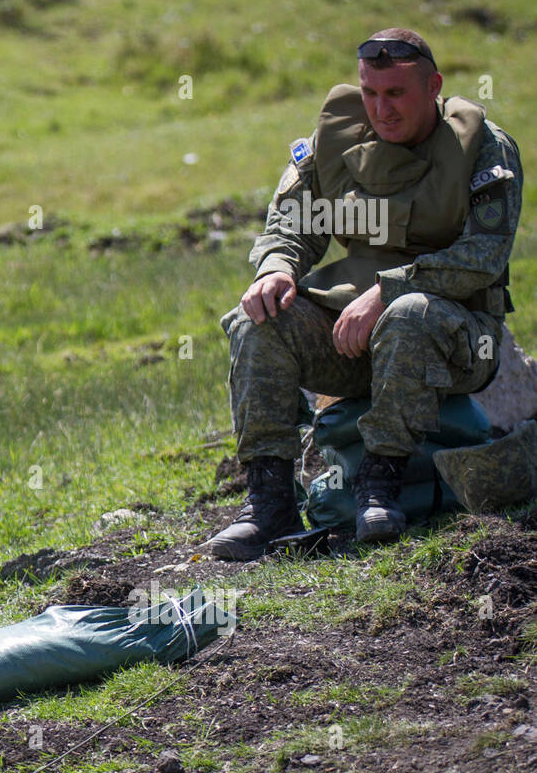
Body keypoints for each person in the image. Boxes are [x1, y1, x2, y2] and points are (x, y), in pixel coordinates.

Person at [205, 28, 522, 560]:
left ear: (433, 87)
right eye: (370, 92)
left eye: (396, 94)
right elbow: (290, 224)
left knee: (409, 313)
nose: (382, 109)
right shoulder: (336, 139)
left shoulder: (483, 146)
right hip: (354, 339)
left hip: (459, 340)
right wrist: (276, 269)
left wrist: (387, 291)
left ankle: (381, 486)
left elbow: (481, 259)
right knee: (255, 320)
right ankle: (267, 502)